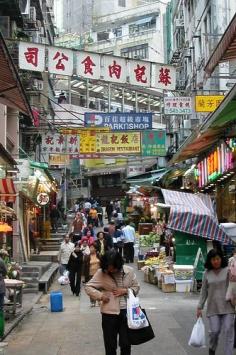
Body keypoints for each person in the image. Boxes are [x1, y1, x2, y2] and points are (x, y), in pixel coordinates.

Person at [85, 250, 140, 355]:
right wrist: (100, 296)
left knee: (126, 344)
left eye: (112, 267)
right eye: (107, 267)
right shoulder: (101, 273)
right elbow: (88, 287)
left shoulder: (129, 271)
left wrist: (126, 291)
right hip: (109, 314)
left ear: (118, 265)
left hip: (127, 312)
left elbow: (136, 287)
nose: (109, 270)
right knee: (110, 345)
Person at [197, 249, 235, 355]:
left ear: (221, 259)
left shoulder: (228, 270)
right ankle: (212, 349)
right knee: (214, 331)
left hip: (228, 306)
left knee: (228, 330)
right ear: (210, 261)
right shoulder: (206, 273)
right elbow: (203, 291)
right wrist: (199, 307)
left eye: (217, 259)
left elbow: (234, 285)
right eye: (213, 259)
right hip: (213, 308)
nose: (216, 261)